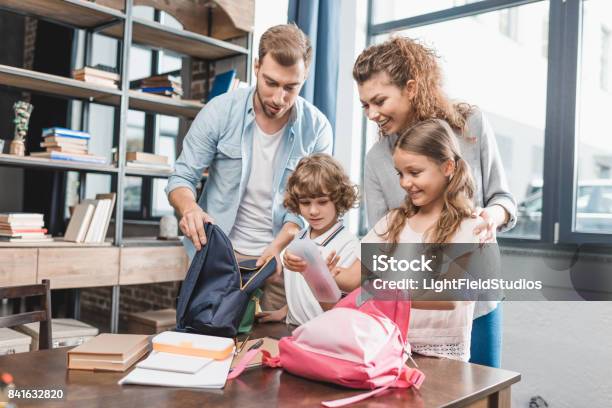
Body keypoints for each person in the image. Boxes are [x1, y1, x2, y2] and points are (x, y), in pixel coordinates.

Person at [352, 37, 516, 367]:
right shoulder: (377, 159)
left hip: (479, 299)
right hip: (415, 313)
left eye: (379, 101)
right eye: (365, 105)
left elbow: (504, 199)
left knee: (484, 391)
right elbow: (383, 247)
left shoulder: (471, 127)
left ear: (411, 88)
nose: (372, 114)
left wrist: (490, 217)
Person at [166, 24, 333, 312]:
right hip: (217, 255)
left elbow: (311, 205)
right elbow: (182, 176)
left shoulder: (317, 128)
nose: (279, 99)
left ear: (303, 78)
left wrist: (280, 246)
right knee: (208, 340)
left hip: (282, 260)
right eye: (271, 83)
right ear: (256, 67)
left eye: (291, 88)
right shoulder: (219, 112)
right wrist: (190, 209)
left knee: (273, 348)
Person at [359, 119, 484, 362]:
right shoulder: (395, 221)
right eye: (401, 174)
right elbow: (357, 276)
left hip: (443, 363)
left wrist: (386, 294)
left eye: (414, 173)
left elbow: (452, 297)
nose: (405, 183)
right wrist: (314, 268)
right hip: (391, 351)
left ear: (447, 167)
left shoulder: (472, 228)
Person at [257, 154, 360, 324]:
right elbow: (300, 290)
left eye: (322, 202)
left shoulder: (349, 245)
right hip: (292, 327)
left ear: (338, 199)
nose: (313, 211)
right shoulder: (299, 237)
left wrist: (314, 271)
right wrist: (284, 312)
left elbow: (342, 306)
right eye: (305, 203)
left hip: (323, 333)